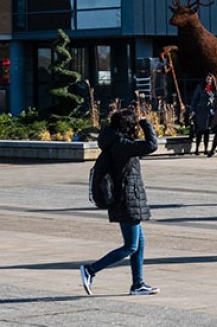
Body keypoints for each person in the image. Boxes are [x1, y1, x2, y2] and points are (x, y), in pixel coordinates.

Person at [80, 107, 159, 296]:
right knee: (130, 246)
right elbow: (152, 145)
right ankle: (91, 270)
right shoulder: (121, 145)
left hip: (128, 199)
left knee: (139, 242)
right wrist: (145, 122)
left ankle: (138, 284)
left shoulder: (115, 141)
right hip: (126, 200)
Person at [189, 73, 215, 155]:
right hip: (200, 111)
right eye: (208, 79)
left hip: (209, 111)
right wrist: (193, 110)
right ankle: (197, 148)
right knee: (200, 130)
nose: (209, 81)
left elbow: (215, 98)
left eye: (210, 79)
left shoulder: (213, 88)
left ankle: (206, 149)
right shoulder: (200, 87)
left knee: (207, 130)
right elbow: (195, 99)